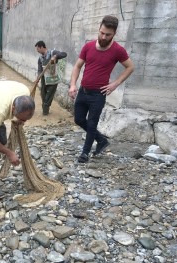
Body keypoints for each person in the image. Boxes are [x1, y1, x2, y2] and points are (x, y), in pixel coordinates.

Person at [68, 15, 134, 163]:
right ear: (99, 29)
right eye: (101, 33)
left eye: (108, 34)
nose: (103, 37)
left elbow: (130, 67)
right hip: (83, 91)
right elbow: (78, 66)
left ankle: (85, 153)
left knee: (92, 123)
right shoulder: (88, 46)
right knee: (79, 119)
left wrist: (115, 84)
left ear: (114, 34)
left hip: (99, 94)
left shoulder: (118, 50)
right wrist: (73, 85)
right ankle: (101, 140)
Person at [35, 40, 67, 115]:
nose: (37, 51)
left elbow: (64, 54)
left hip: (52, 78)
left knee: (48, 97)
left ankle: (45, 114)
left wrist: (55, 56)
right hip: (44, 79)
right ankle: (45, 112)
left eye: (38, 49)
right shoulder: (40, 59)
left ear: (42, 47)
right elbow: (40, 70)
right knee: (43, 95)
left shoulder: (53, 53)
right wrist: (38, 78)